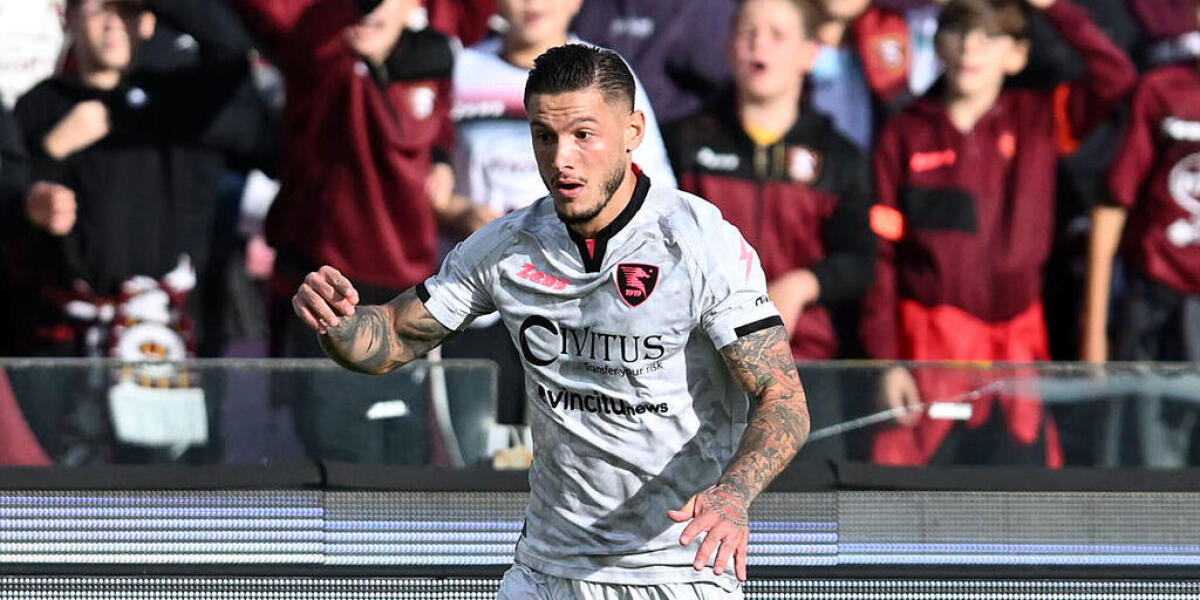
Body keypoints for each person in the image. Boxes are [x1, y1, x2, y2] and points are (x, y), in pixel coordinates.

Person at [293, 44, 810, 597]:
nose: (562, 158)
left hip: (676, 569)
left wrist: (732, 495)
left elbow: (785, 400)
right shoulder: (507, 247)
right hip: (547, 570)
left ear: (634, 130)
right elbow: (391, 337)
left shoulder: (698, 242)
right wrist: (341, 324)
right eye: (544, 135)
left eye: (584, 135)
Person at [861, 0, 1136, 466]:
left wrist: (1054, 8)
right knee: (906, 496)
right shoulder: (904, 133)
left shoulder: (1043, 118)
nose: (971, 47)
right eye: (959, 32)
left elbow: (1116, 74)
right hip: (929, 352)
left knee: (1020, 499)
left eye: (989, 36)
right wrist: (887, 362)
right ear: (939, 44)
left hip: (1018, 351)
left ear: (1018, 55)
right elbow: (879, 259)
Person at [443, 0, 675, 430]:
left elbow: (654, 188)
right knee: (475, 456)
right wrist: (461, 212)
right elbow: (420, 182)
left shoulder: (606, 74)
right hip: (478, 303)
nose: (532, 4)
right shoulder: (460, 70)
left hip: (581, 306)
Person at [665, 0, 873, 460]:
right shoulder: (683, 141)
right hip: (697, 369)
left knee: (809, 528)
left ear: (809, 52)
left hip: (807, 371)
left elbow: (862, 261)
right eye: (747, 32)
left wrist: (804, 285)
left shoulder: (840, 157)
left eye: (777, 35)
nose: (759, 44)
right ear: (728, 46)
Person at [1082, 36, 1200, 465]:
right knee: (1145, 466)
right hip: (1158, 306)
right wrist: (1094, 333)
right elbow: (1112, 208)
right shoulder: (1162, 89)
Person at [571, 0, 738, 124]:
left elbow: (732, 84)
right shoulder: (589, 8)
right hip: (598, 130)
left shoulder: (703, 9)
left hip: (675, 143)